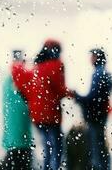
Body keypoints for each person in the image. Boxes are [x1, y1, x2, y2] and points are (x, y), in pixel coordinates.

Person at [12, 39, 72, 170]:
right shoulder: (56, 65)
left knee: (47, 146)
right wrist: (74, 94)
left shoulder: (37, 67)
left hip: (36, 114)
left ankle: (46, 168)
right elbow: (59, 88)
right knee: (57, 147)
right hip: (51, 113)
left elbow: (25, 86)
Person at [74, 48, 112, 170]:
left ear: (96, 58)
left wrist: (77, 96)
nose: (90, 59)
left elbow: (93, 97)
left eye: (92, 56)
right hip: (101, 115)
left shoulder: (98, 73)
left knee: (96, 148)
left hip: (95, 116)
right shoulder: (104, 72)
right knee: (100, 146)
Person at [0, 50, 32, 170]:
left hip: (12, 130)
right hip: (20, 130)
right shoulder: (18, 78)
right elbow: (24, 101)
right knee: (20, 157)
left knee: (15, 154)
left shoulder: (7, 80)